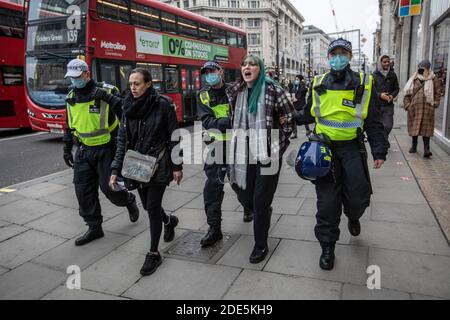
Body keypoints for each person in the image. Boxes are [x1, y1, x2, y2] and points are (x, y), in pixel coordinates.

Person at [294, 38, 386, 270]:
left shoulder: (364, 82)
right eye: (333, 53)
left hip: (353, 149)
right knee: (327, 203)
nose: (337, 57)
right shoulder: (318, 82)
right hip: (323, 150)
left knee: (357, 198)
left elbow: (374, 120)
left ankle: (353, 216)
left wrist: (379, 150)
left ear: (350, 56)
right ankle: (327, 246)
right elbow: (308, 114)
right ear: (328, 57)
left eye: (342, 53)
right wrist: (288, 114)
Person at [110, 68, 182, 276]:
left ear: (148, 84)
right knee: (151, 206)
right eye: (130, 84)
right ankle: (169, 222)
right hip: (135, 166)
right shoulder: (127, 106)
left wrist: (177, 166)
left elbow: (174, 137)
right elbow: (122, 140)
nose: (132, 87)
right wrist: (115, 169)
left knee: (151, 207)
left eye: (137, 83)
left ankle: (153, 253)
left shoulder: (162, 105)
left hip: (158, 164)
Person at [62, 59, 139, 247]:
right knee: (83, 191)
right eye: (71, 78)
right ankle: (94, 227)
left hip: (107, 148)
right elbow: (68, 123)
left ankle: (128, 200)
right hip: (83, 149)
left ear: (87, 74)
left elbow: (128, 110)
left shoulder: (107, 90)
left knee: (109, 189)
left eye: (78, 77)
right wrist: (66, 147)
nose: (74, 81)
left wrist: (106, 97)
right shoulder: (71, 96)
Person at [226, 55, 295, 264]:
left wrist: (277, 148)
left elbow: (289, 118)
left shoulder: (273, 89)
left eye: (252, 64)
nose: (247, 67)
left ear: (260, 69)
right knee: (244, 195)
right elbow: (232, 119)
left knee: (260, 201)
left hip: (267, 153)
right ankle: (260, 209)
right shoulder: (236, 91)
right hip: (243, 153)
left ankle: (261, 244)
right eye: (244, 64)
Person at [197, 60, 254, 248]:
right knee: (212, 188)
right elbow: (207, 121)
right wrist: (225, 121)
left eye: (212, 70)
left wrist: (221, 121)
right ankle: (214, 229)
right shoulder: (203, 95)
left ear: (220, 71)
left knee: (240, 184)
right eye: (206, 72)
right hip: (215, 148)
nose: (209, 75)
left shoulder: (236, 91)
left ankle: (250, 208)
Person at [403, 59, 443, 158]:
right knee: (414, 128)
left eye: (424, 68)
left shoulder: (434, 79)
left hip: (427, 108)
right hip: (414, 107)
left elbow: (438, 93)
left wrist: (435, 104)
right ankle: (414, 145)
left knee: (427, 130)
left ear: (428, 69)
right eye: (420, 67)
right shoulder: (413, 78)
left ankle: (426, 149)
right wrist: (407, 105)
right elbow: (407, 94)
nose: (421, 70)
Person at [373, 55, 400, 150]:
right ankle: (384, 141)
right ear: (380, 63)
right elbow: (372, 91)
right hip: (377, 106)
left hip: (388, 105)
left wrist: (392, 96)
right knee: (379, 126)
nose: (387, 63)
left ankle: (384, 139)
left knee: (388, 125)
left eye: (388, 61)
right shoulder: (374, 75)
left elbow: (397, 88)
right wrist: (380, 95)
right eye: (384, 62)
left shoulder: (392, 75)